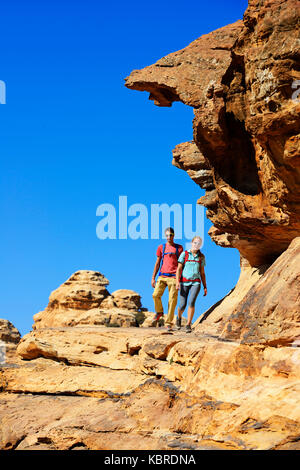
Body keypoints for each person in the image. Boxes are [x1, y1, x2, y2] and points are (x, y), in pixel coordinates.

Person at [151, 227, 183, 330]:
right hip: (162, 276)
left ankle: (168, 323)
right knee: (155, 295)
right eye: (167, 235)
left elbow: (181, 265)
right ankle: (159, 312)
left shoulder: (179, 248)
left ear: (174, 235)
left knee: (172, 300)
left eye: (171, 235)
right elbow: (157, 263)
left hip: (174, 277)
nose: (169, 237)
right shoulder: (161, 247)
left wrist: (179, 280)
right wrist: (153, 278)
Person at [175, 236, 207, 333]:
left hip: (196, 282)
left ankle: (188, 324)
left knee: (192, 302)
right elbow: (179, 269)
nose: (196, 245)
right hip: (184, 282)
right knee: (182, 304)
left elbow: (202, 273)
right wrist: (177, 282)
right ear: (192, 243)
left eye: (198, 243)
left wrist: (205, 286)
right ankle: (179, 317)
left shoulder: (201, 257)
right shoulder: (184, 254)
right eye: (195, 243)